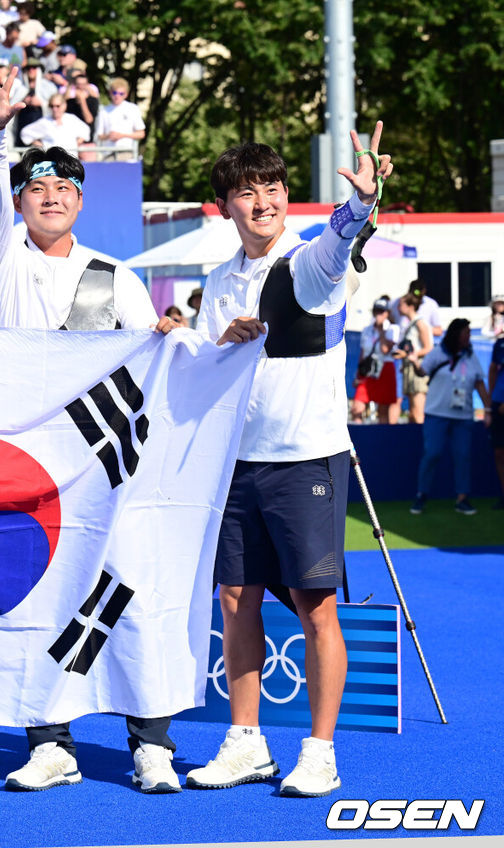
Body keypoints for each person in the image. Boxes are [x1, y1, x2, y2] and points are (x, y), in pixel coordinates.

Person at [0, 59, 181, 794]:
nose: (51, 197)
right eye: (37, 188)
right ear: (19, 202)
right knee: (41, 603)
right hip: (29, 467)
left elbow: (154, 356)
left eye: (64, 188)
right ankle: (50, 742)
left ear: (81, 200)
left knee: (127, 598)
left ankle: (151, 743)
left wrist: (172, 335)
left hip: (106, 464)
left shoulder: (114, 274)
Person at [185, 122, 392, 797]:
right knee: (234, 601)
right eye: (247, 192)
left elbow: (339, 239)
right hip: (236, 465)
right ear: (226, 207)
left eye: (272, 187)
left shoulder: (308, 263)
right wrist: (222, 341)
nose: (263, 202)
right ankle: (246, 742)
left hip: (306, 460)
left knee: (314, 606)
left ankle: (320, 751)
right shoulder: (218, 281)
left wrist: (362, 202)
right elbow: (204, 374)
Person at [409, 319, 491, 516]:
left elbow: (479, 383)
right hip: (436, 414)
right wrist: (414, 362)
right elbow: (422, 372)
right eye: (466, 332)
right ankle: (421, 495)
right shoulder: (437, 352)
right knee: (432, 453)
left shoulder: (471, 356)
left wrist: (488, 409)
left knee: (463, 456)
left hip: (463, 416)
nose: (469, 336)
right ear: (456, 334)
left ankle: (462, 498)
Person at [350, 296, 400, 425]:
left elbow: (385, 349)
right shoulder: (367, 330)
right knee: (357, 408)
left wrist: (382, 331)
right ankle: (358, 434)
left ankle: (382, 437)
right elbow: (363, 354)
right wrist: (358, 375)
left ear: (387, 313)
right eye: (376, 311)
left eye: (382, 311)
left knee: (383, 411)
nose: (379, 314)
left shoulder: (393, 329)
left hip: (385, 369)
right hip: (368, 371)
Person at [392, 292, 433, 424]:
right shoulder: (409, 325)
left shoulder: (420, 323)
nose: (398, 308)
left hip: (418, 370)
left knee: (418, 412)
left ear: (410, 306)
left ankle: (422, 437)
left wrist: (408, 355)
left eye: (401, 305)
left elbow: (428, 347)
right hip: (409, 370)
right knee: (412, 414)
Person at [19, 94, 90, 155]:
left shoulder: (71, 119)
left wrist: (76, 144)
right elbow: (25, 133)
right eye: (52, 106)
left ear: (64, 105)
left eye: (57, 106)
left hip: (71, 158)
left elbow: (86, 130)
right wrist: (42, 146)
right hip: (52, 160)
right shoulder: (45, 122)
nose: (54, 109)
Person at [95, 78, 144, 161]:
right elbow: (99, 136)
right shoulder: (103, 111)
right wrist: (109, 136)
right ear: (110, 93)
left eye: (121, 93)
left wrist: (122, 135)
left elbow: (141, 133)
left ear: (126, 94)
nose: (117, 96)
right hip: (108, 154)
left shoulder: (133, 109)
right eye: (115, 93)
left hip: (126, 152)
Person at [489, 330, 504, 509]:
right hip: (498, 404)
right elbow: (493, 369)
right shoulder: (500, 345)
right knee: (499, 452)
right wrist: (492, 399)